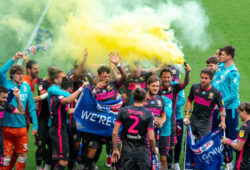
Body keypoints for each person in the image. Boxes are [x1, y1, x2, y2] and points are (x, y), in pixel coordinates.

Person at [80, 51, 127, 170]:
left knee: (115, 153)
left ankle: (114, 167)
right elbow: (88, 103)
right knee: (91, 153)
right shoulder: (93, 87)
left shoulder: (114, 85)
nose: (107, 78)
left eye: (108, 76)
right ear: (99, 76)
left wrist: (118, 65)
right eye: (104, 76)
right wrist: (95, 90)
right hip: (97, 124)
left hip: (111, 124)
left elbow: (125, 78)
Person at [0, 52, 38, 170]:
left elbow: (31, 107)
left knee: (23, 156)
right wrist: (14, 58)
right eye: (18, 74)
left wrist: (35, 125)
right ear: (12, 75)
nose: (21, 76)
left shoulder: (26, 87)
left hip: (21, 127)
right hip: (6, 126)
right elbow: (1, 72)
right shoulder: (6, 84)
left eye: (22, 74)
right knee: (6, 157)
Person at [112, 88, 158, 170]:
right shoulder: (149, 114)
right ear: (145, 99)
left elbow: (115, 132)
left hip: (127, 152)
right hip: (143, 153)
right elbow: (151, 137)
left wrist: (115, 149)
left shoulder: (123, 111)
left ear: (133, 98)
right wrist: (154, 149)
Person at [49, 77, 88, 170]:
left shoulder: (58, 96)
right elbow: (68, 100)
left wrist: (81, 109)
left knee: (60, 160)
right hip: (58, 131)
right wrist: (81, 88)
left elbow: (67, 111)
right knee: (63, 161)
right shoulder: (60, 97)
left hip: (60, 130)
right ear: (70, 88)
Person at [158, 65, 190, 166]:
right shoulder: (156, 88)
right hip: (157, 121)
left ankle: (170, 164)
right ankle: (158, 163)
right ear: (160, 78)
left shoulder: (174, 87)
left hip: (171, 122)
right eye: (164, 77)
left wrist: (187, 72)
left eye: (168, 77)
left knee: (171, 146)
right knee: (156, 145)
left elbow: (185, 84)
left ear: (171, 77)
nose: (166, 79)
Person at [215, 45, 240, 169]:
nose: (220, 56)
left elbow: (234, 95)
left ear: (229, 56)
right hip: (223, 108)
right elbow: (215, 62)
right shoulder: (223, 67)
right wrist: (217, 55)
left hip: (231, 109)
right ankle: (228, 162)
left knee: (231, 137)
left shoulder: (233, 73)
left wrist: (220, 103)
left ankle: (241, 162)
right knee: (223, 136)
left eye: (223, 54)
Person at [184, 68, 226, 139]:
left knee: (203, 145)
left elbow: (222, 109)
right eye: (202, 77)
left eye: (206, 78)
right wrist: (187, 115)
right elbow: (189, 101)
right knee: (188, 143)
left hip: (205, 124)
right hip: (193, 120)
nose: (203, 80)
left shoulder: (216, 93)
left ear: (210, 79)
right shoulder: (194, 87)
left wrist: (223, 122)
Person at [35, 66, 58, 170]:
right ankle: (39, 167)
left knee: (52, 146)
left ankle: (47, 166)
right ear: (49, 73)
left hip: (54, 119)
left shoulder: (58, 84)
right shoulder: (42, 84)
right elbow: (43, 94)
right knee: (41, 146)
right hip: (42, 119)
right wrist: (55, 89)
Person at [142, 75, 167, 168]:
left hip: (156, 134)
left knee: (154, 158)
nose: (155, 88)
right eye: (153, 86)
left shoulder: (160, 99)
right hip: (143, 135)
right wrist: (152, 120)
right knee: (145, 159)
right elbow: (136, 115)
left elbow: (163, 115)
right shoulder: (142, 99)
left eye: (157, 86)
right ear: (148, 86)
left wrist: (161, 122)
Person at [0, 86, 25, 167]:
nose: (5, 100)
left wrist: (17, 97)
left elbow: (21, 111)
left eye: (6, 97)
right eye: (3, 97)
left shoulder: (5, 105)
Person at [222, 102, 250, 170]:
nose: (239, 115)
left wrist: (227, 141)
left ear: (244, 111)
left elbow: (238, 147)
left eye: (239, 112)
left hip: (242, 164)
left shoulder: (244, 127)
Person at [172, 89, 185, 170]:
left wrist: (170, 104)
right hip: (165, 118)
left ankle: (176, 162)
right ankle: (167, 160)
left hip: (178, 118)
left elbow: (182, 101)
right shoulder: (160, 86)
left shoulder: (178, 86)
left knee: (178, 141)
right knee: (165, 140)